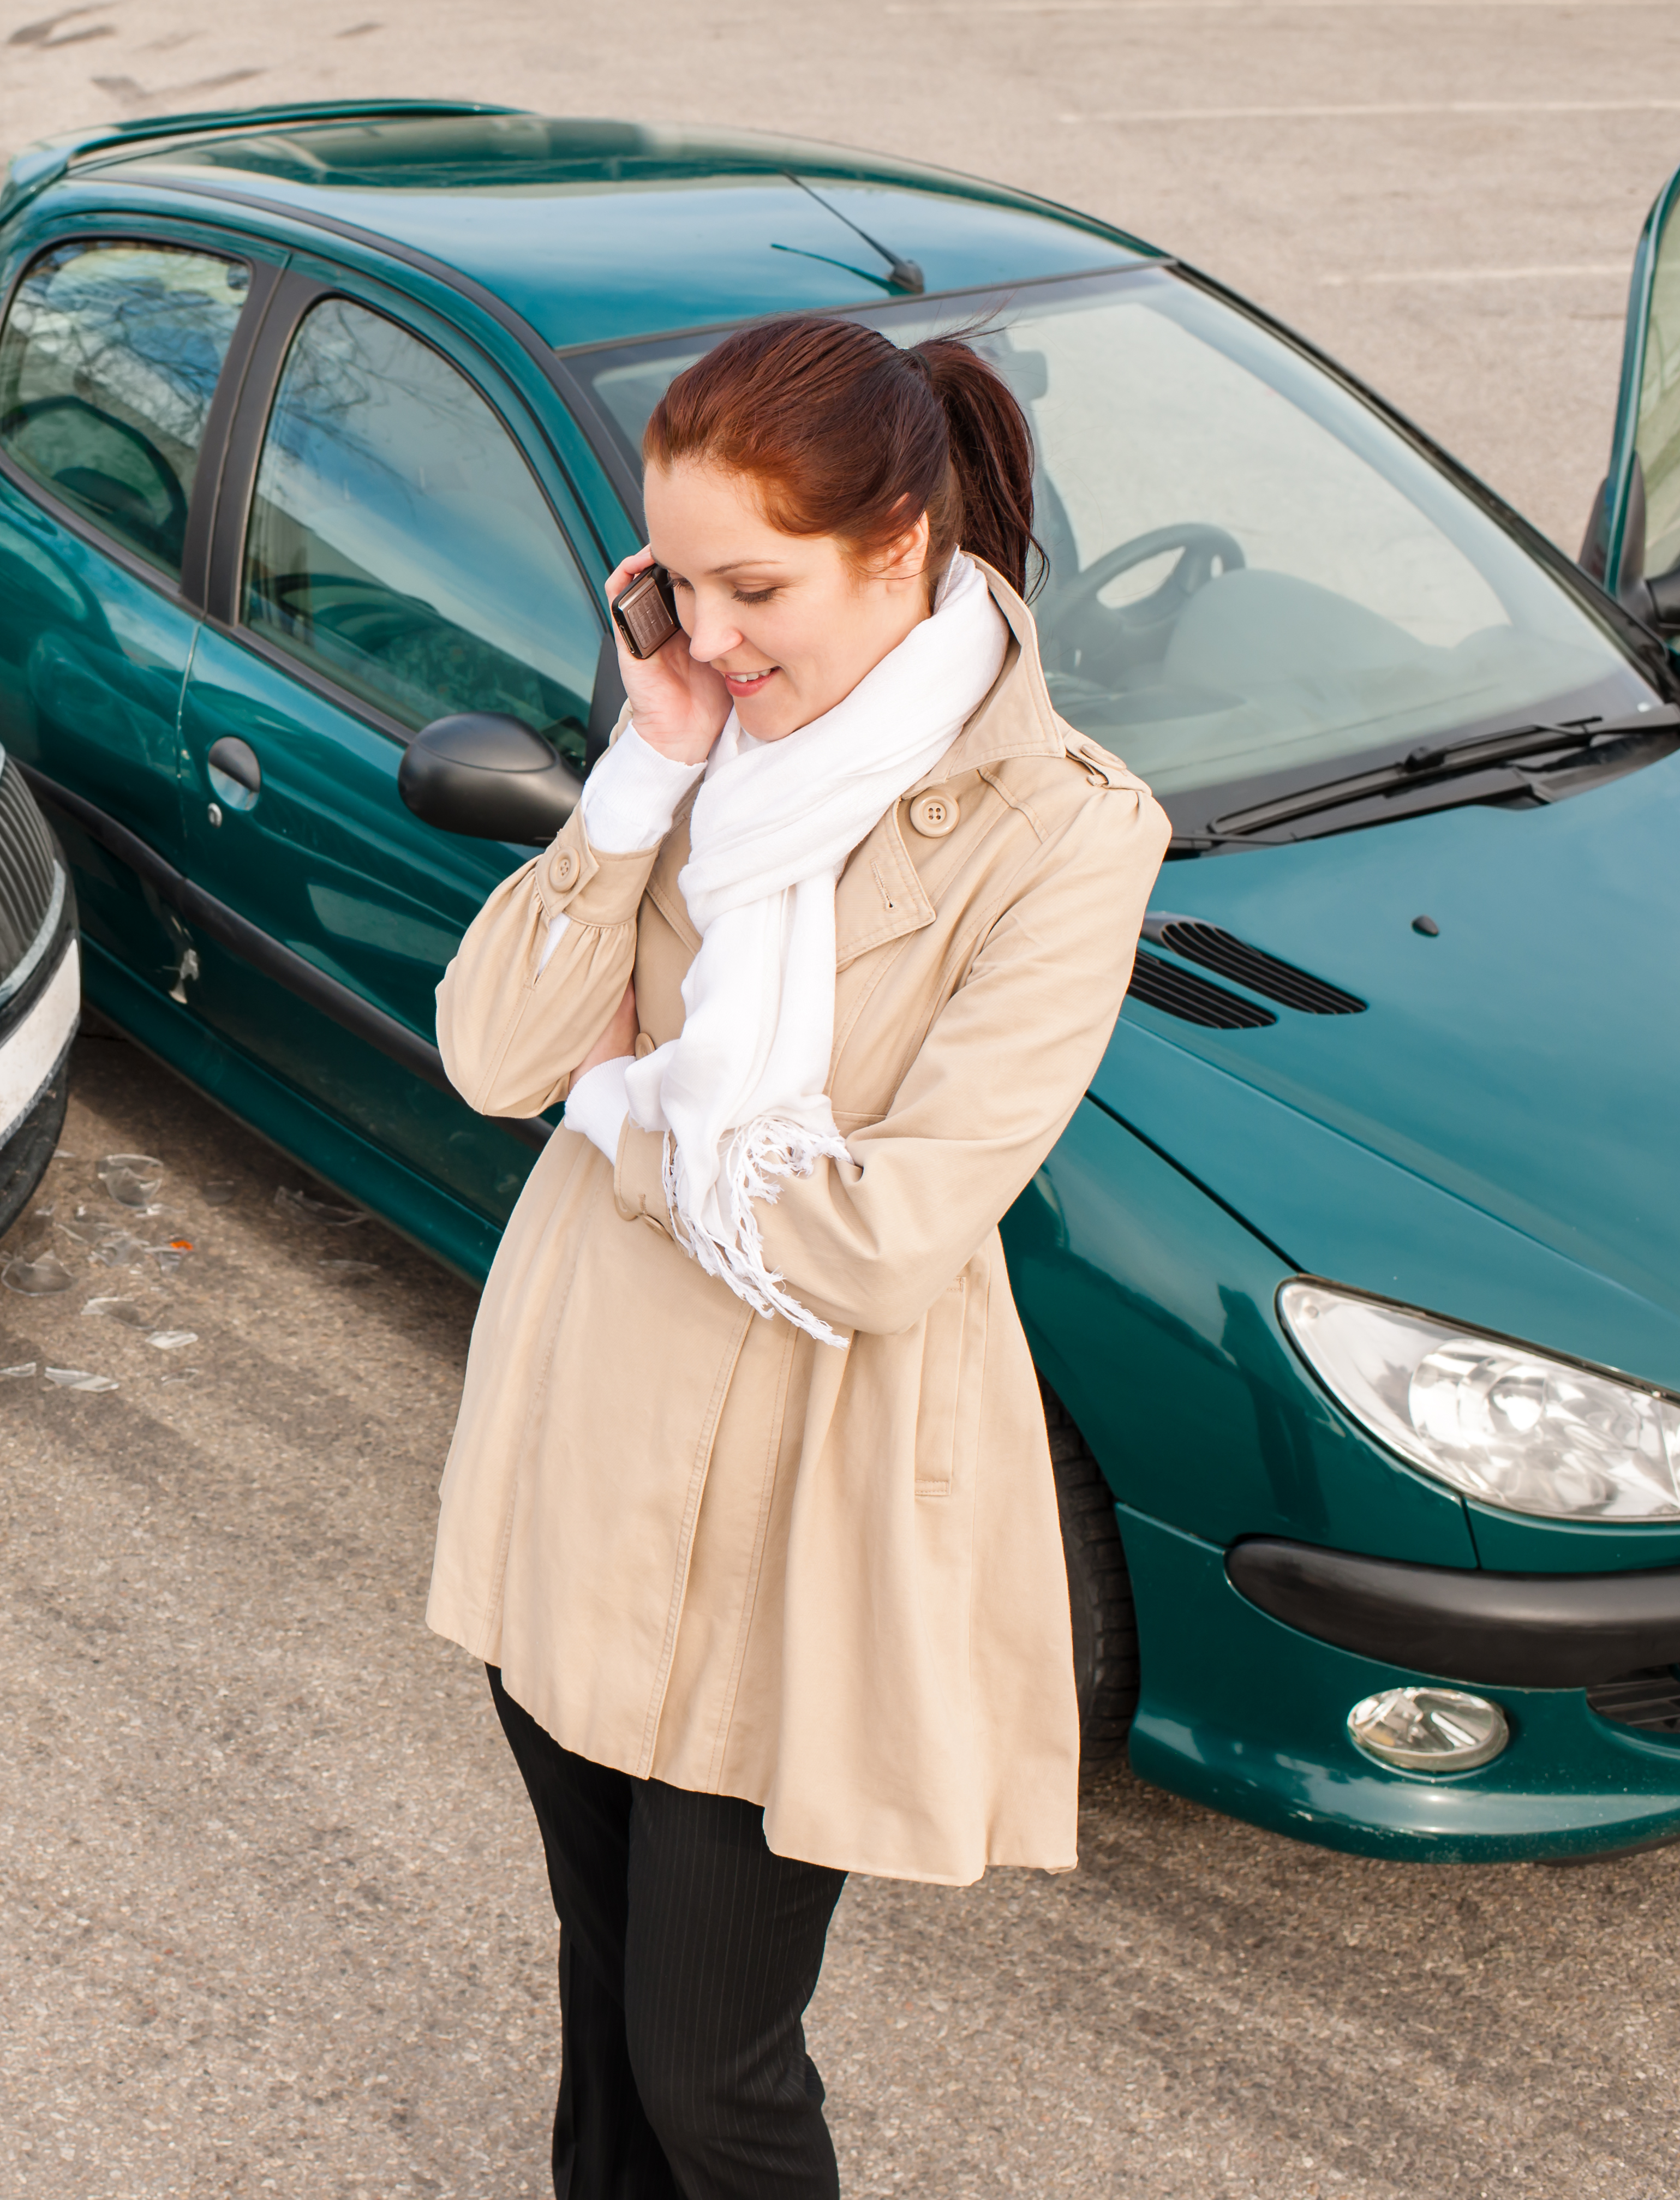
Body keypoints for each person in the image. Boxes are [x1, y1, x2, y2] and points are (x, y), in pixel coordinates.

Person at [429, 315, 1170, 2193]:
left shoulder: (1068, 835)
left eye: (755, 587)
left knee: (714, 2071)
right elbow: (497, 1054)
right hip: (589, 1445)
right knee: (606, 2016)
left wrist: (627, 1116)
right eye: (675, 585)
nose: (715, 635)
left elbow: (877, 1240)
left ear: (902, 545)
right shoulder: (702, 750)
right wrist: (639, 771)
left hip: (808, 1512)